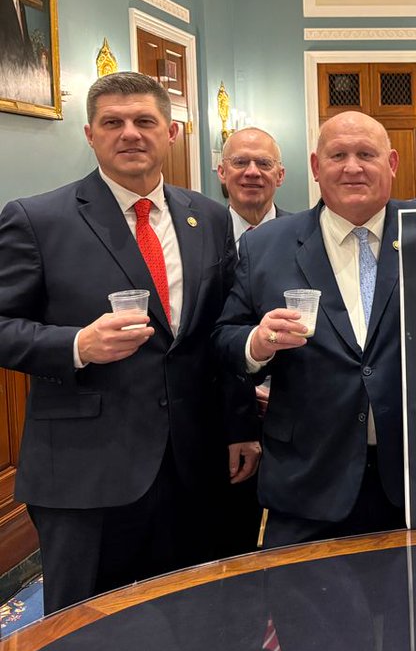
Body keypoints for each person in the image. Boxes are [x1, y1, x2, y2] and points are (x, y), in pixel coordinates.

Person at [0, 72, 259, 613]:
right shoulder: (36, 219)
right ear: (90, 135)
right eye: (112, 123)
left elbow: (219, 332)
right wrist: (76, 346)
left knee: (201, 618)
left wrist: (239, 427)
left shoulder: (208, 217)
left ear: (170, 132)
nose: (130, 134)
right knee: (90, 632)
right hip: (88, 472)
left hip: (196, 463)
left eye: (145, 121)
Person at [213, 111, 406, 547]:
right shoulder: (265, 245)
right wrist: (256, 344)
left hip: (414, 480)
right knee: (306, 613)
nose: (352, 167)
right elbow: (224, 336)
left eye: (366, 154)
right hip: (308, 481)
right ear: (317, 167)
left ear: (391, 163)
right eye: (338, 155)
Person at [218, 127, 289, 251]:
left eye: (264, 163)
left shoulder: (305, 235)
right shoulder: (203, 237)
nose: (252, 172)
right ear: (222, 172)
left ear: (280, 175)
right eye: (240, 162)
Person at [0, 0, 34, 72]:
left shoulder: (22, 6)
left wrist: (33, 64)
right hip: (8, 65)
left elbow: (25, 36)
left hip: (23, 66)